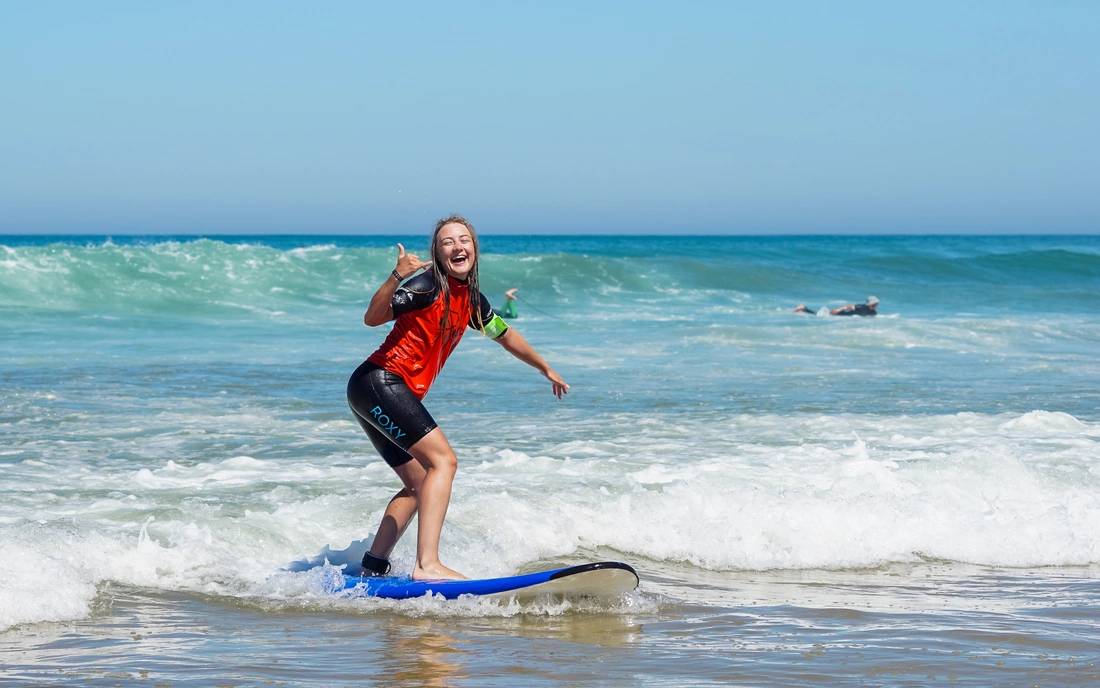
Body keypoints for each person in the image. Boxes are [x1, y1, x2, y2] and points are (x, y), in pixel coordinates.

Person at [346, 215, 568, 581]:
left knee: (418, 484)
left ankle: (372, 568)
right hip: (379, 382)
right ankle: (426, 565)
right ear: (437, 251)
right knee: (443, 463)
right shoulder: (425, 286)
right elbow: (372, 318)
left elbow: (505, 334)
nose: (457, 246)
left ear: (475, 250)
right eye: (448, 241)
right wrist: (397, 276)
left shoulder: (471, 302)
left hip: (374, 390)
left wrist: (544, 367)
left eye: (464, 240)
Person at [794, 296, 879, 316]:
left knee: (819, 314)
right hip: (842, 314)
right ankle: (803, 308)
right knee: (819, 314)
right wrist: (838, 310)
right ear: (872, 304)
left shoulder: (873, 312)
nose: (877, 305)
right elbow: (848, 306)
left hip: (846, 318)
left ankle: (804, 309)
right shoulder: (861, 307)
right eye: (876, 303)